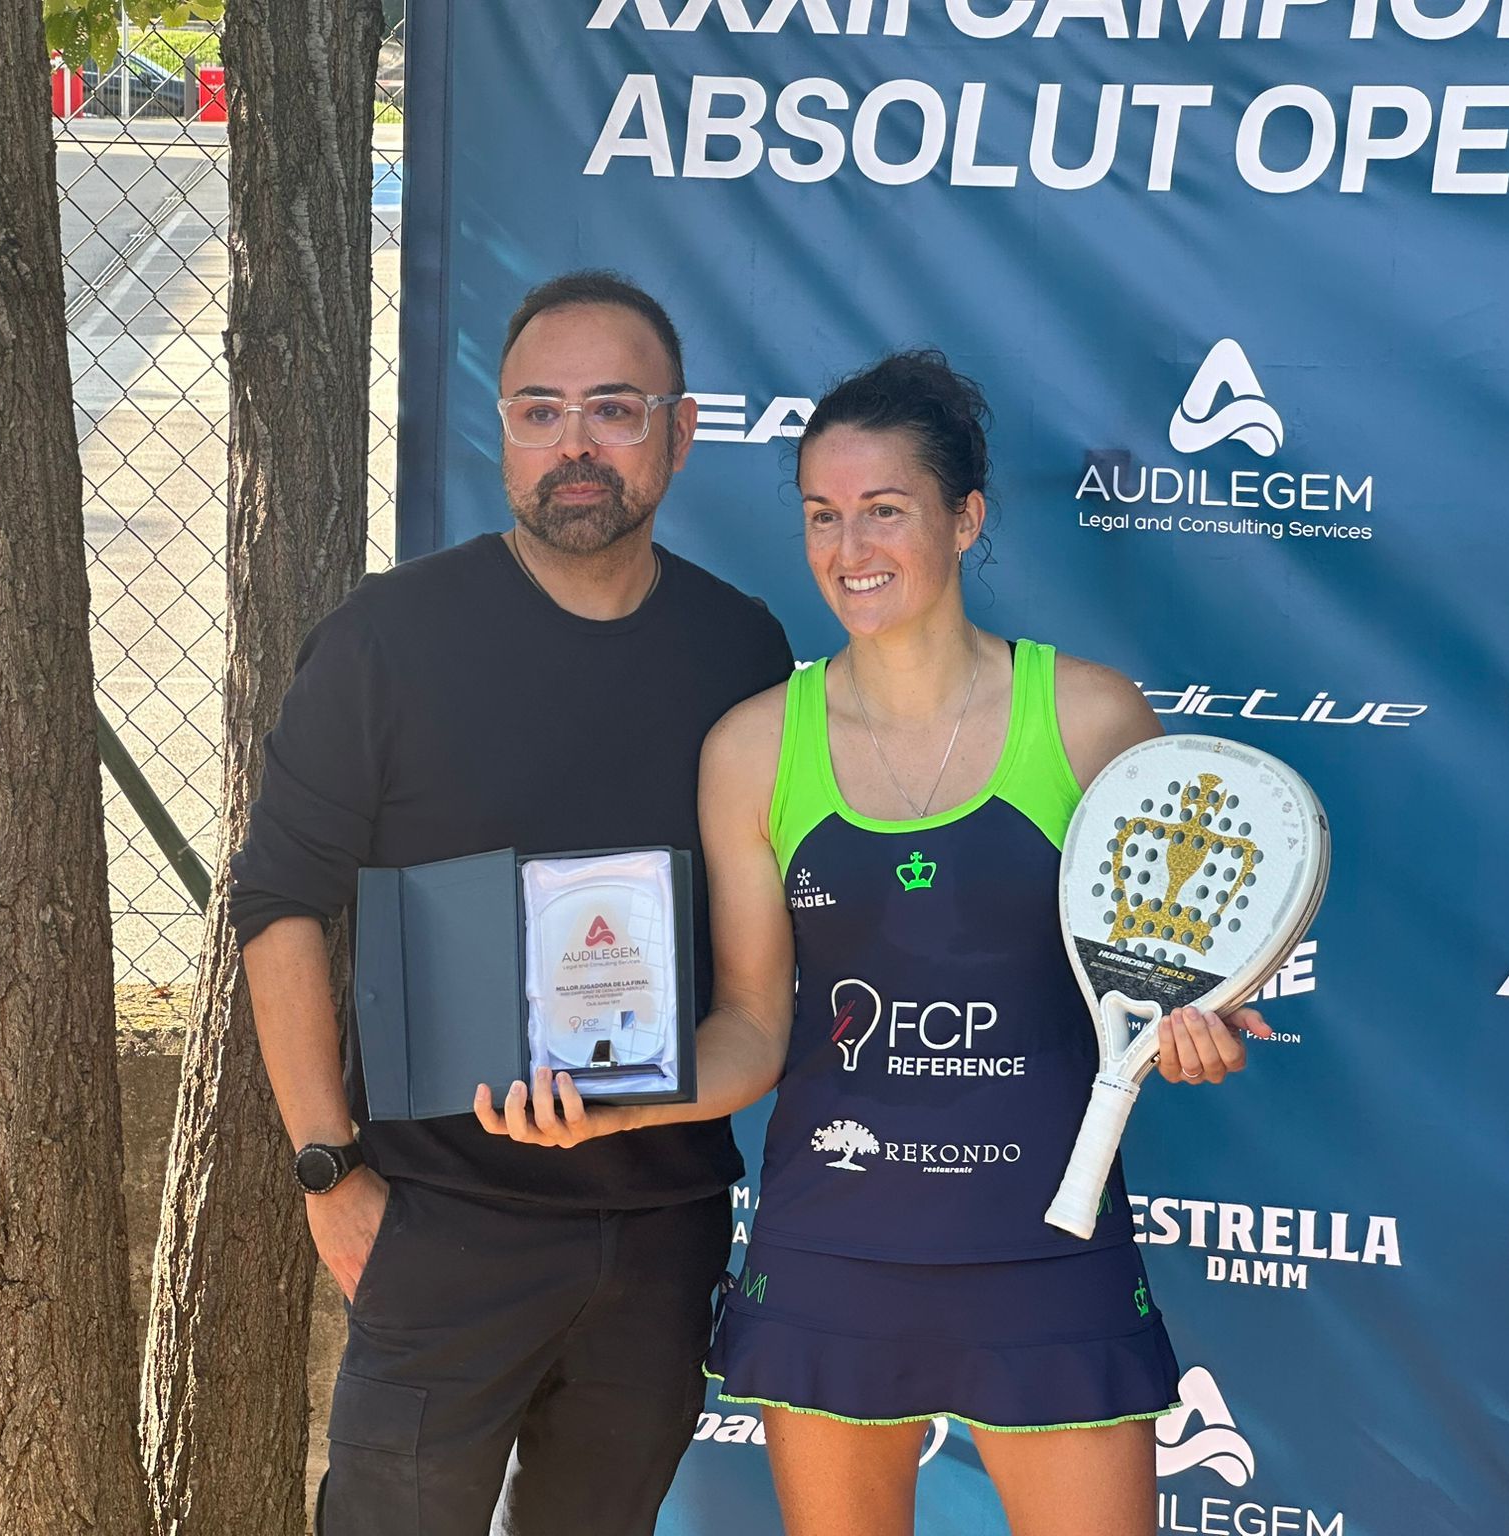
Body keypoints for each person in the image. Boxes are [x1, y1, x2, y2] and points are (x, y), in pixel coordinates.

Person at [477, 350, 1270, 1536]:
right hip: (831, 1244)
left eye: (885, 511)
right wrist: (618, 1104)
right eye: (821, 515)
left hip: (1046, 1243)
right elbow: (754, 1026)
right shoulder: (754, 746)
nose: (851, 548)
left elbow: (1162, 980)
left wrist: (1192, 1031)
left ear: (965, 519)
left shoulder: (1091, 719)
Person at [227, 271, 794, 1536]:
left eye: (611, 409)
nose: (574, 443)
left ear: (680, 430)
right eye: (538, 411)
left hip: (658, 1229)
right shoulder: (385, 640)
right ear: (500, 431)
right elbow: (277, 903)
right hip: (441, 1224)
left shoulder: (740, 652)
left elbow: (760, 966)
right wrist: (329, 1170)